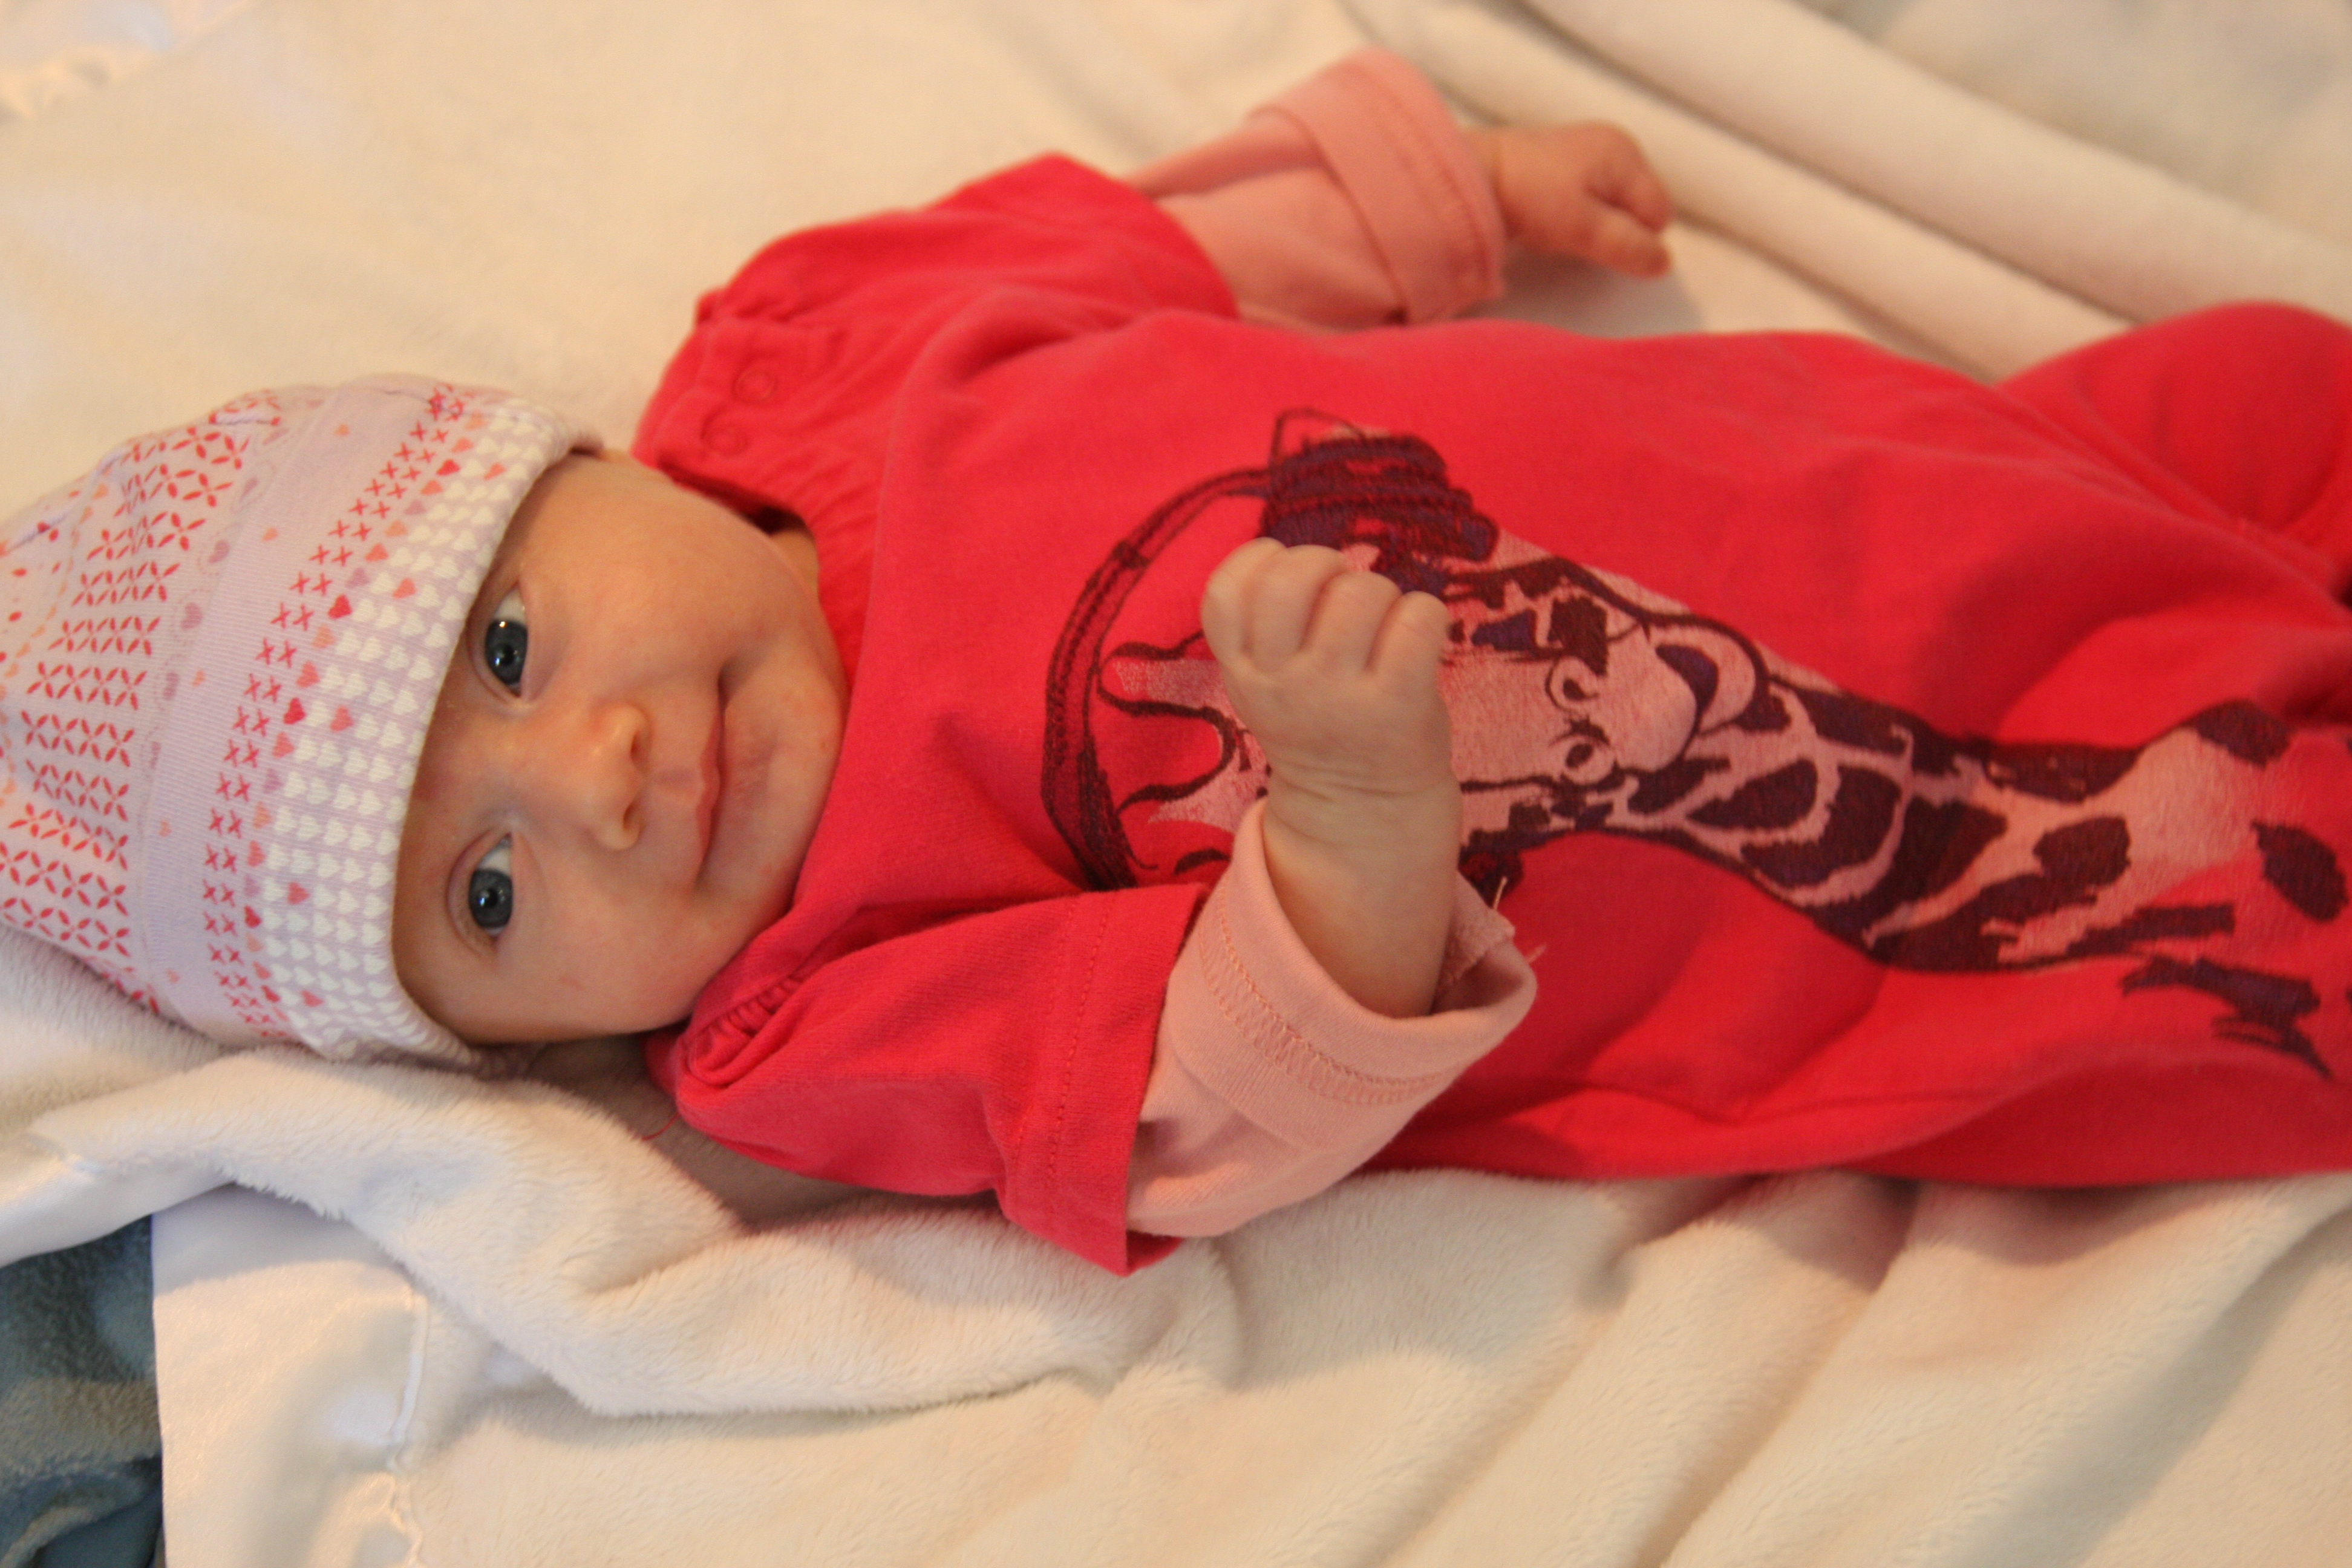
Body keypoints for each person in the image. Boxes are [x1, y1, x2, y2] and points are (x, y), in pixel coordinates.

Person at [3, 53, 2347, 1275]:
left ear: (582, 465)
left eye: (508, 646)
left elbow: (1173, 253)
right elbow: (1202, 1108)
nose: (594, 778)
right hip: (1848, 905)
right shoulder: (809, 1016)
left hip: (1860, 466)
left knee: (2266, 407)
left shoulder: (819, 347)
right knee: (2256, 915)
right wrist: (1354, 825)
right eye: (488, 894)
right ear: (507, 1048)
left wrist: (1455, 197)